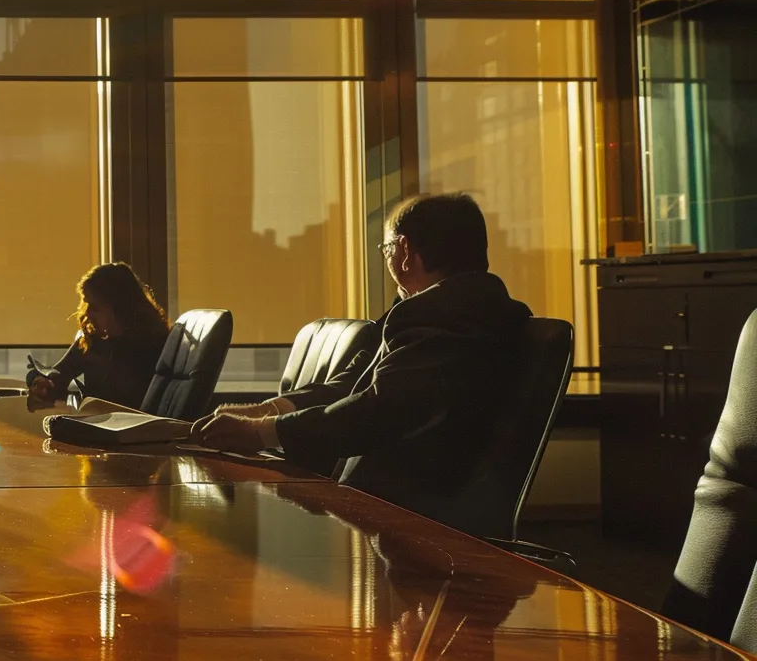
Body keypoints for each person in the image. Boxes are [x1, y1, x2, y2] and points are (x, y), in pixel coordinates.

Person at [196, 193, 532, 524]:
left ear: (403, 252)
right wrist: (265, 414)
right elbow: (351, 385)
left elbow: (378, 409)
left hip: (400, 516)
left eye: (387, 249)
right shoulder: (474, 309)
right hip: (410, 505)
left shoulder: (441, 316)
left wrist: (262, 434)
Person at [27, 263, 169, 411]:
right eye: (86, 304)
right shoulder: (94, 340)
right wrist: (42, 386)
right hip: (95, 426)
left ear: (120, 310)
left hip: (132, 428)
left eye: (95, 307)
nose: (87, 313)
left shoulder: (153, 347)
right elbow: (58, 374)